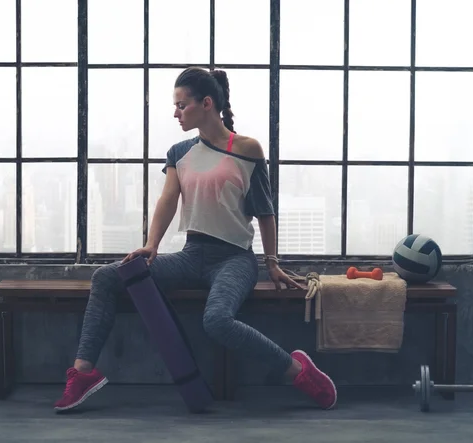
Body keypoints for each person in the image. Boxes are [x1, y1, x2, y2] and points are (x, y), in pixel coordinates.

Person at [54, 67, 337, 412]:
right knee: (107, 276)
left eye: (181, 105)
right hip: (191, 255)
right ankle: (83, 373)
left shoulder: (247, 149)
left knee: (217, 320)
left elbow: (265, 210)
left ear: (206, 103)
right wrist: (152, 245)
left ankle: (298, 370)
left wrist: (272, 263)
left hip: (234, 259)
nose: (175, 113)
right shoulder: (179, 152)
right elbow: (168, 200)